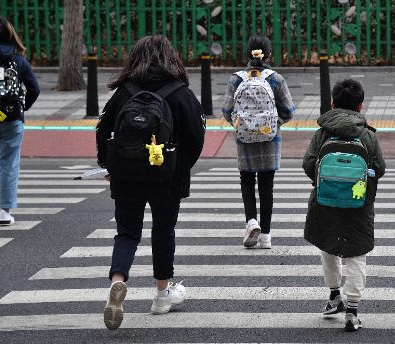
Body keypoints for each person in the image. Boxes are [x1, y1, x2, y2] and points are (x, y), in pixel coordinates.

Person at [96, 35, 206, 330]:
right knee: (163, 231)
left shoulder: (124, 91)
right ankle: (161, 295)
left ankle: (117, 282)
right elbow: (196, 137)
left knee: (127, 233)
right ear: (171, 56)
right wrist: (179, 166)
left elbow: (103, 130)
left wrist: (109, 166)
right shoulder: (180, 92)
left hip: (127, 174)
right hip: (167, 175)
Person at [302, 79, 385, 332]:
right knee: (356, 253)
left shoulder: (322, 133)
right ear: (360, 107)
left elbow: (308, 164)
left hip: (325, 201)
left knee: (328, 244)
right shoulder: (368, 135)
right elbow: (379, 169)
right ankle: (352, 310)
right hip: (359, 203)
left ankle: (334, 294)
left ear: (332, 104)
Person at [221, 35, 295, 249]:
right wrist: (273, 123)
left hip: (244, 139)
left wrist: (243, 124)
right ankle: (266, 236)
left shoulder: (236, 79)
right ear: (269, 54)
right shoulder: (276, 79)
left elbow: (226, 112)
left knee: (246, 181)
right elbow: (289, 111)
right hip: (270, 140)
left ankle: (251, 221)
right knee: (266, 187)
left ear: (247, 54)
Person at [0, 16, 40, 226]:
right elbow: (34, 89)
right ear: (10, 35)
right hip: (13, 120)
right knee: (9, 164)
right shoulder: (19, 61)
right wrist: (22, 109)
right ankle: (5, 211)